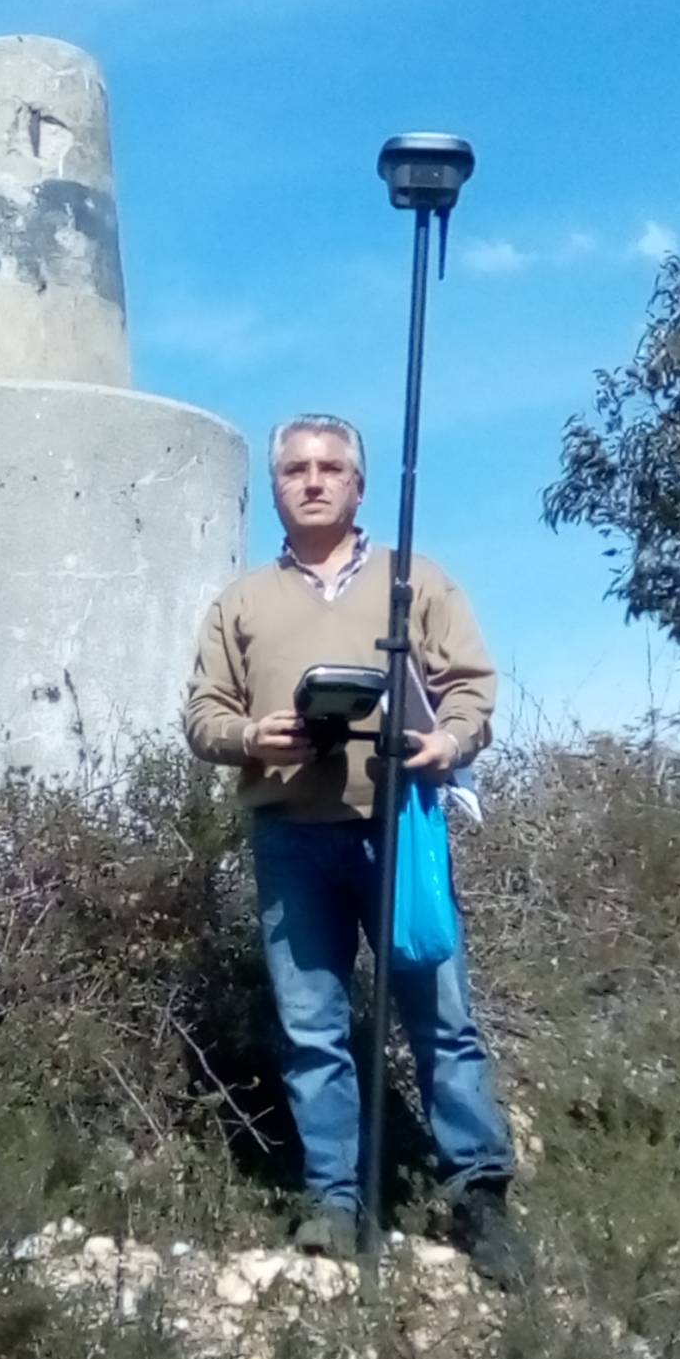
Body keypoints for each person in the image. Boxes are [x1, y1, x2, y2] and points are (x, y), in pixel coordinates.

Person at [184, 413, 526, 1286]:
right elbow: (202, 717)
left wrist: (450, 741)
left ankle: (479, 1197)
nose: (313, 480)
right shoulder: (241, 604)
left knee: (441, 1015)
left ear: (359, 485)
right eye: (296, 468)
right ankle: (336, 1201)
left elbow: (472, 691)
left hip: (400, 825)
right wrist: (253, 736)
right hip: (291, 838)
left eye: (331, 466)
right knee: (312, 1028)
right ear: (275, 488)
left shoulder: (416, 580)